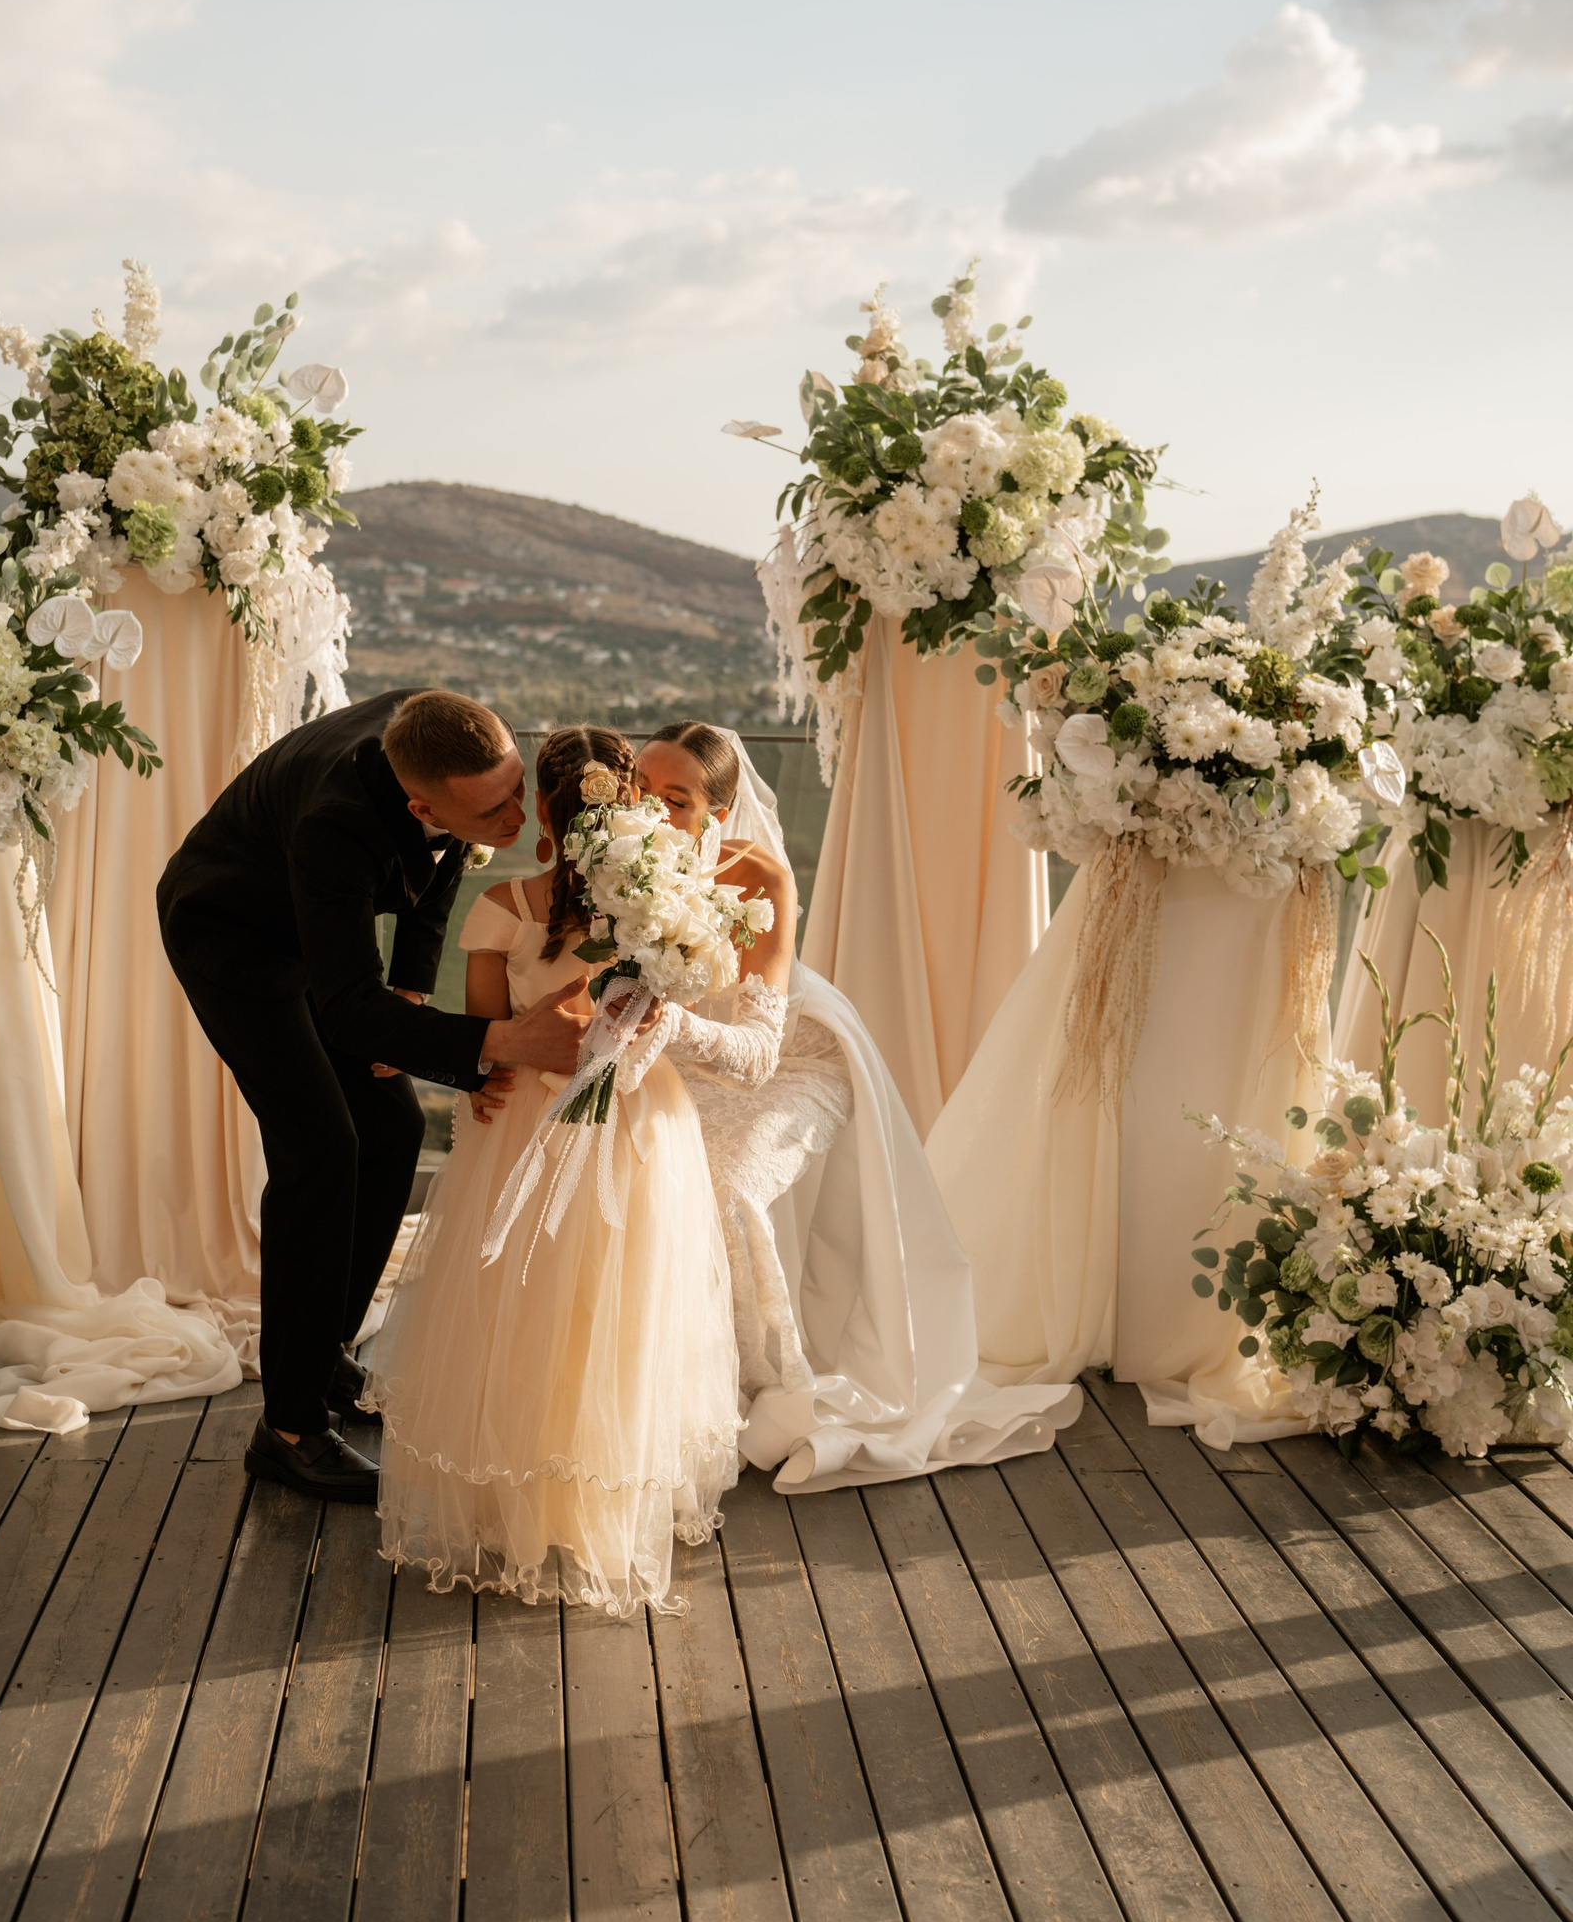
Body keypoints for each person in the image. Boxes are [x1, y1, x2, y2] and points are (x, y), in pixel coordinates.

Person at [360, 726, 785, 1616]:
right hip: (629, 1127)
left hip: (538, 1126)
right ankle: (578, 1506)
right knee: (604, 1316)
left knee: (521, 1311)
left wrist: (484, 1095)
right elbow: (499, 1045)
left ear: (543, 821)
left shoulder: (511, 905)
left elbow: (491, 1046)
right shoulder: (643, 901)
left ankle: (525, 1502)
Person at [157, 687, 590, 1503]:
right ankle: (288, 1431)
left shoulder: (445, 736)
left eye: (516, 789)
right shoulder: (337, 825)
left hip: (324, 933)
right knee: (320, 1151)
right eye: (493, 810)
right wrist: (502, 1042)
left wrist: (414, 989)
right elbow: (348, 1006)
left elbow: (449, 859)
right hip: (233, 936)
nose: (518, 819)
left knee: (390, 1127)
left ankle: (322, 1355)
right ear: (420, 803)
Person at [635, 723, 1082, 1488]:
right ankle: (662, 1371)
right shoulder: (621, 866)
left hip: (789, 1056)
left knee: (730, 1187)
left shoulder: (760, 877)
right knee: (646, 1170)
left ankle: (764, 1385)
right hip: (682, 1054)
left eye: (676, 800)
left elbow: (759, 1044)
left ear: (720, 811)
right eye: (641, 791)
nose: (653, 813)